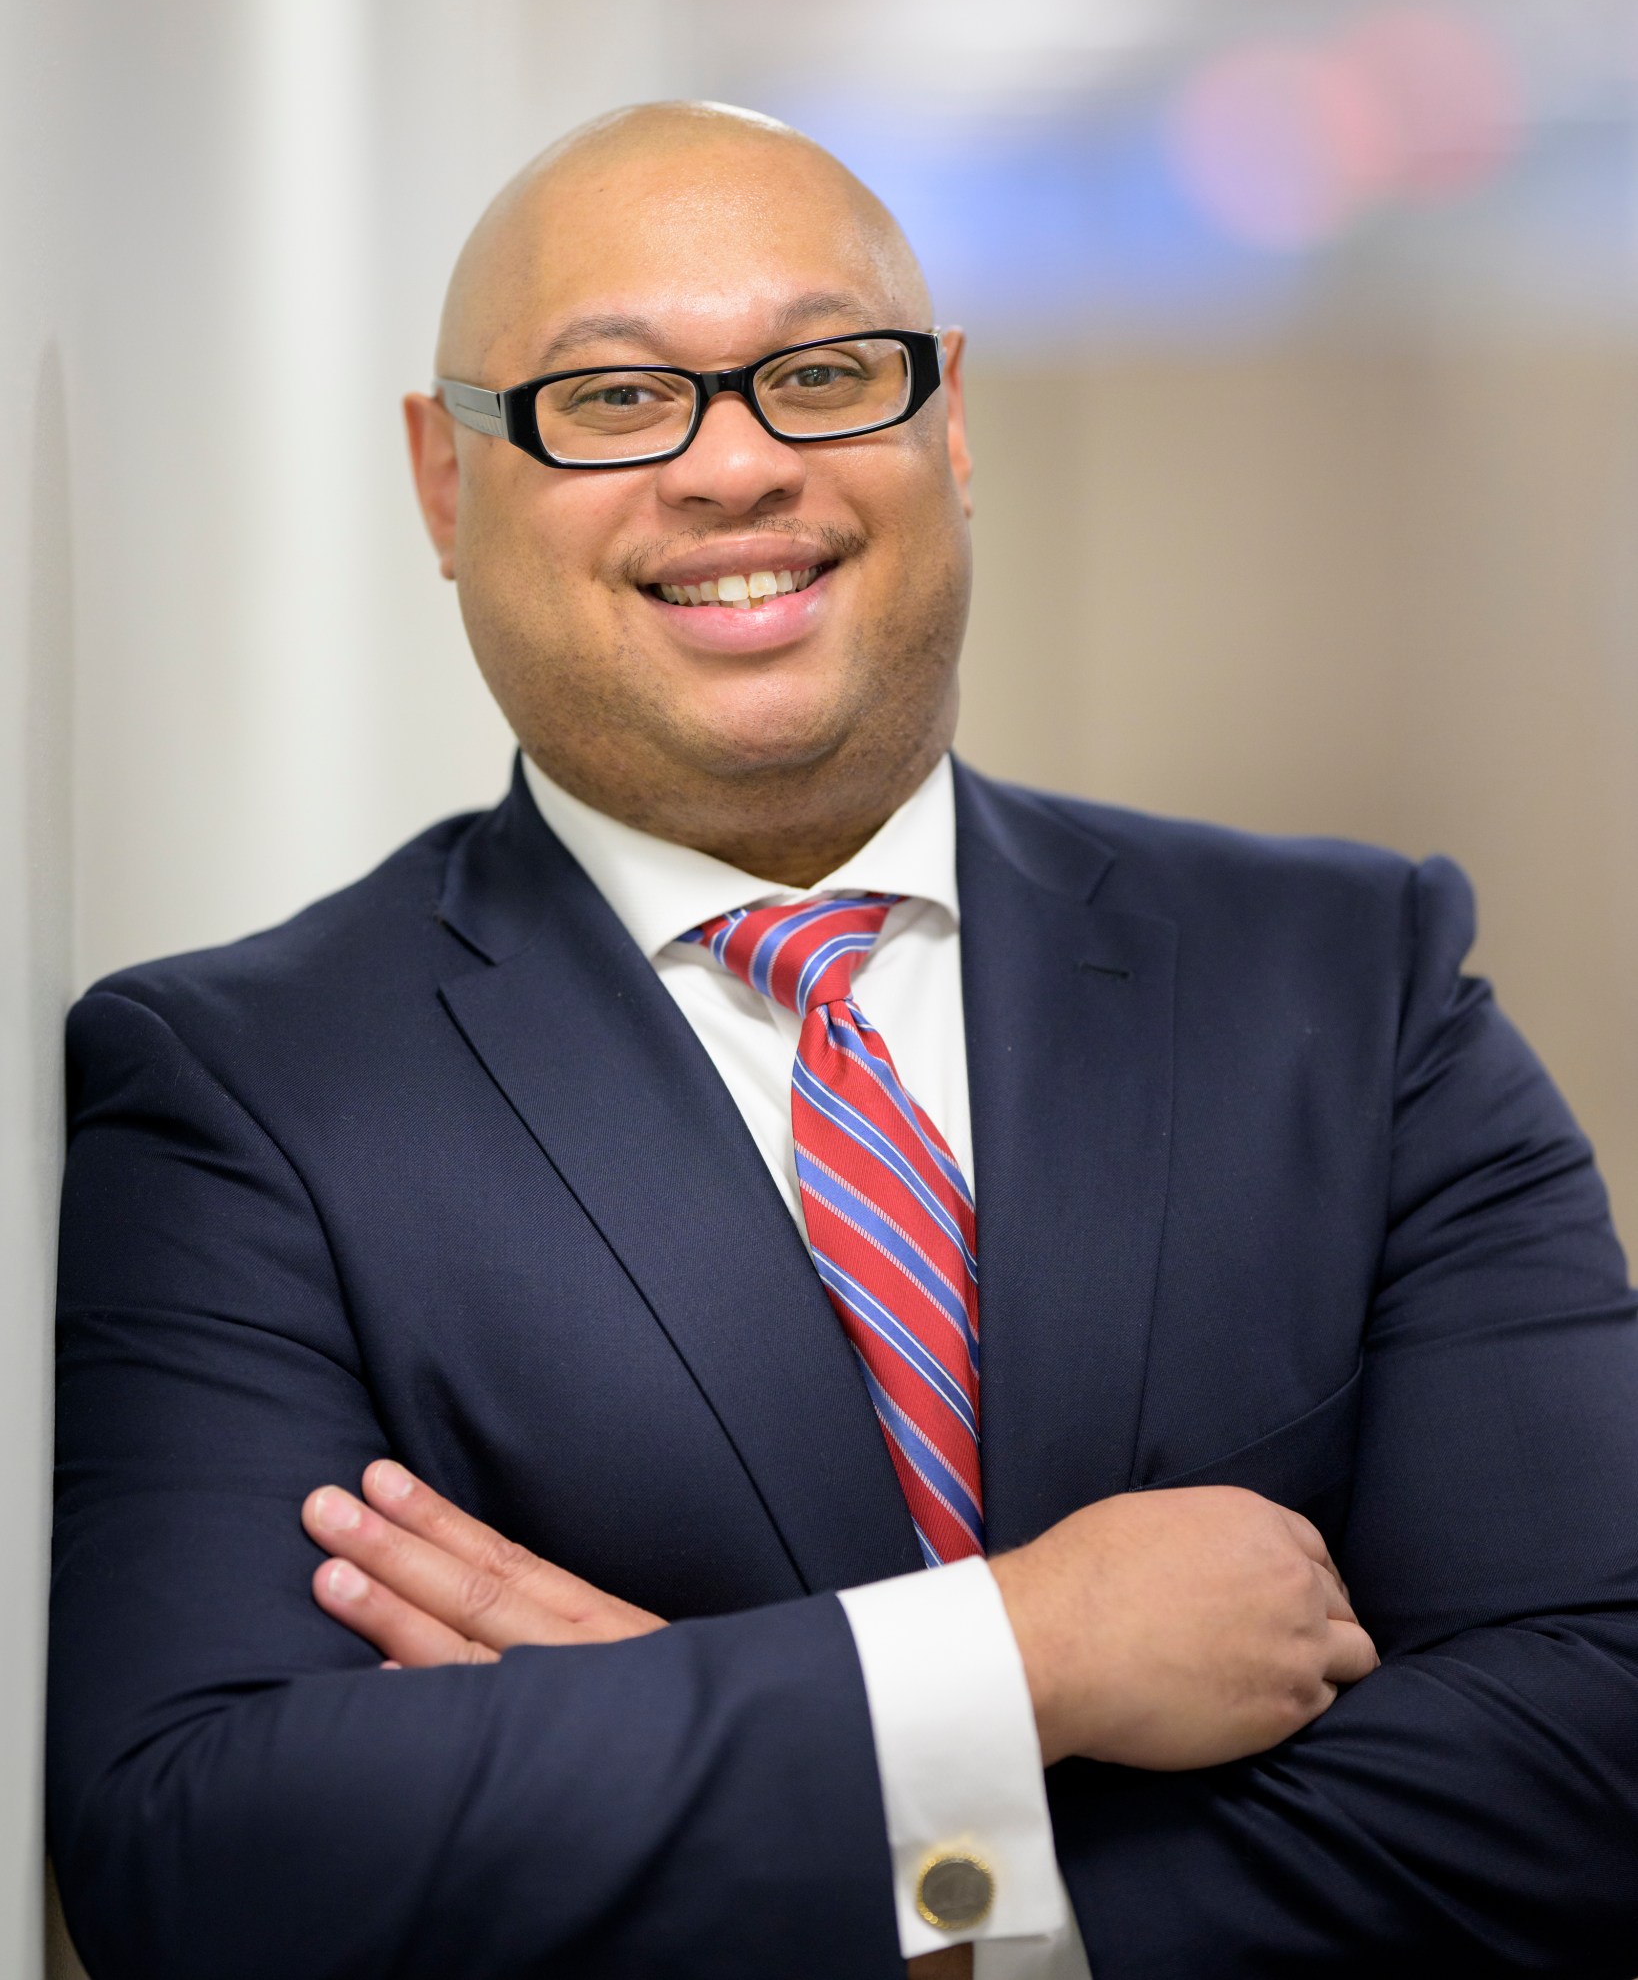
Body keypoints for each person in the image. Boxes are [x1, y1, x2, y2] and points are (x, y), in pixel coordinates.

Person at [48, 100, 1638, 1980]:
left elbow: (1589, 1748)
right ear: (441, 479)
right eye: (617, 400)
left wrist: (898, 1888)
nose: (733, 471)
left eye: (820, 374)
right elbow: (207, 1849)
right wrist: (1014, 1661)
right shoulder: (244, 1092)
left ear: (946, 421)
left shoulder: (1352, 981)